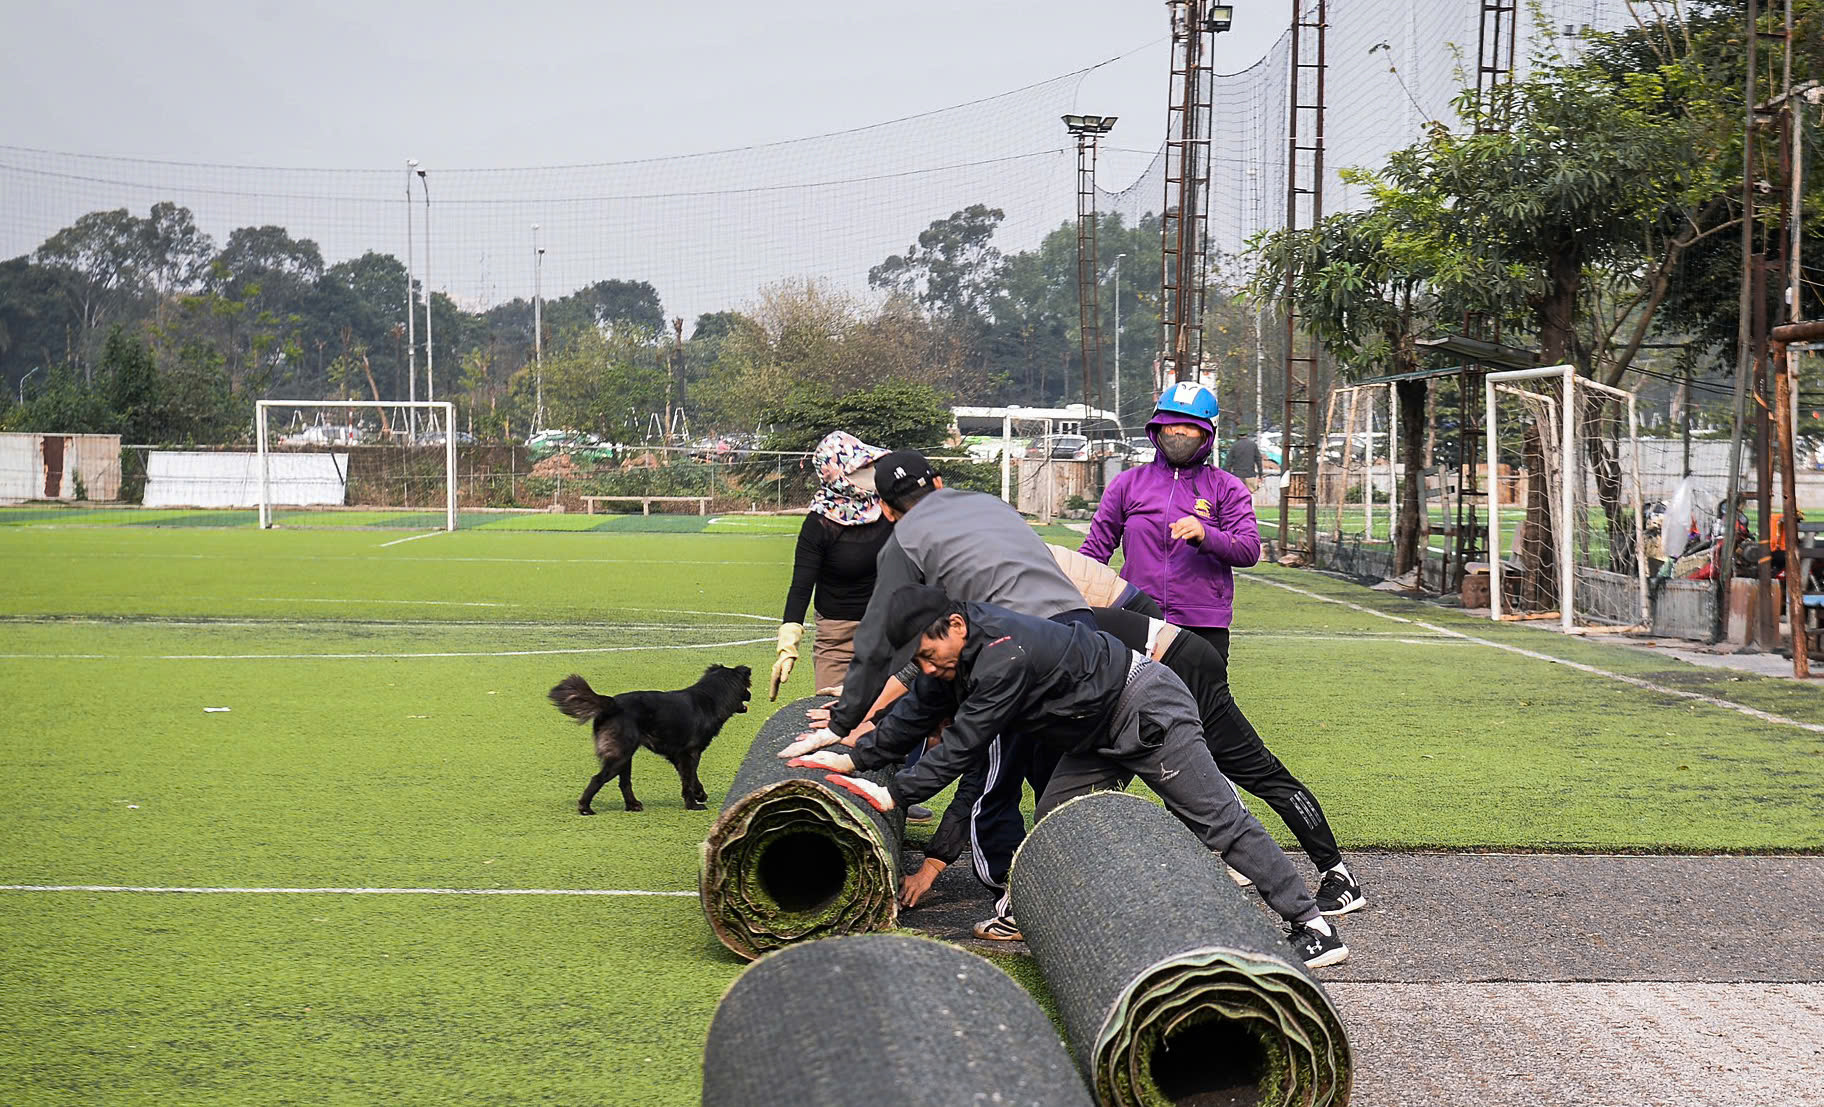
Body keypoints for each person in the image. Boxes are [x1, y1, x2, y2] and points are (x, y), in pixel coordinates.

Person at [784, 586, 1347, 968]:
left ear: (955, 625)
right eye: (921, 661)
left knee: (1217, 822)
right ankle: (1032, 912)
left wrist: (893, 792)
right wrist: (852, 758)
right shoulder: (954, 654)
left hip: (1144, 708)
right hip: (1096, 728)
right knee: (1055, 820)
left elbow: (962, 743)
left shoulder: (1003, 655)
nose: (929, 669)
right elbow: (915, 710)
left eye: (931, 655)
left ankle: (1313, 924)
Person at [1080, 382, 1366, 915]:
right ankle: (1231, 850)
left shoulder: (1227, 488)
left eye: (1190, 427)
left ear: (1207, 434)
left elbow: (1249, 549)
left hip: (1199, 639)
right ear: (1155, 429)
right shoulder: (1127, 485)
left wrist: (1204, 533)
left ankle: (1335, 871)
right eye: (1170, 425)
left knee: (1233, 755)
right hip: (1138, 632)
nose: (1179, 435)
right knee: (1145, 743)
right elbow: (1095, 548)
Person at [896, 604, 1363, 918]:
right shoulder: (993, 654)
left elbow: (978, 788)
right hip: (1106, 714)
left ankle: (1320, 901)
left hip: (1158, 680)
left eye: (935, 736)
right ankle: (1031, 909)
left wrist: (932, 863)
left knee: (1228, 801)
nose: (938, 744)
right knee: (1057, 810)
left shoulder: (1002, 677)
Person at [813, 450, 1095, 914]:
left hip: (1013, 644)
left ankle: (1014, 896)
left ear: (885, 508)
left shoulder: (903, 539)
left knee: (991, 771)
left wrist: (847, 720)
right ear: (939, 483)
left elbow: (885, 634)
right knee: (1058, 772)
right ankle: (1076, 881)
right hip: (1078, 631)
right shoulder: (989, 503)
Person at [771, 431, 890, 701]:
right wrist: (787, 646)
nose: (871, 471)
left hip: (888, 631)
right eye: (861, 467)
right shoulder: (819, 524)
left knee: (888, 725)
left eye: (870, 465)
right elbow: (801, 587)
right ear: (838, 474)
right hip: (837, 640)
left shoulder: (888, 508)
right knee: (832, 720)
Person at [1224, 427, 1263, 493]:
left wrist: (1227, 476)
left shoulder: (1234, 445)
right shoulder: (1253, 445)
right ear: (1247, 434)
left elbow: (1228, 462)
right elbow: (1258, 460)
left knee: (1238, 495)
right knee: (1250, 495)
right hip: (1250, 475)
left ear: (1238, 435)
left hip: (1237, 475)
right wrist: (1260, 474)